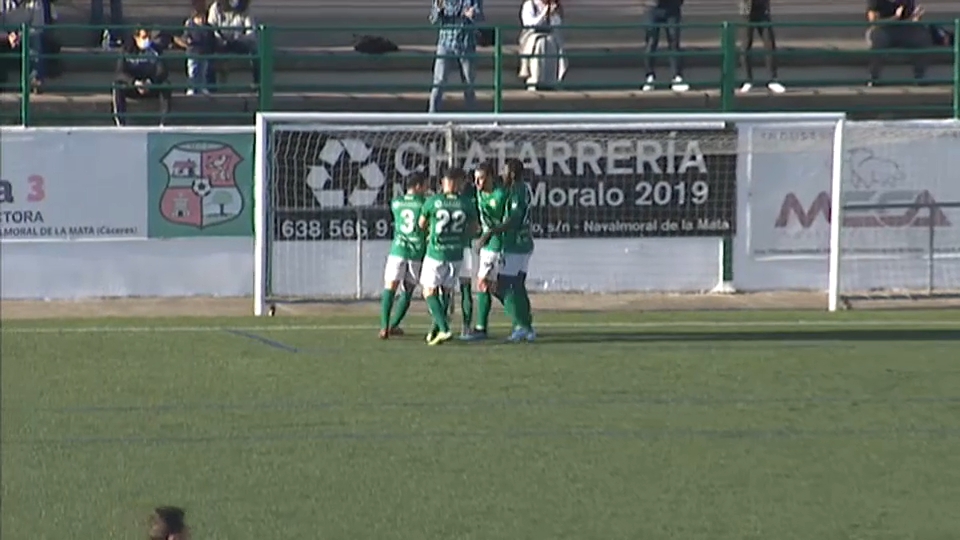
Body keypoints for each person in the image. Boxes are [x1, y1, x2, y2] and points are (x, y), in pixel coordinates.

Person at [476, 159, 536, 342]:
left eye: (505, 170)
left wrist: (489, 233)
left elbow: (514, 220)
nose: (502, 174)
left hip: (515, 244)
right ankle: (526, 325)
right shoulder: (517, 189)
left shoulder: (517, 190)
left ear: (511, 173)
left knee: (504, 286)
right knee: (516, 286)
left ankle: (522, 326)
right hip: (520, 244)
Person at [418, 168, 477, 345]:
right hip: (457, 254)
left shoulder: (433, 201)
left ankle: (443, 328)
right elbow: (474, 229)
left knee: (428, 291)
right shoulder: (467, 203)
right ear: (458, 183)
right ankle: (435, 329)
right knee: (446, 291)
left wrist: (430, 232)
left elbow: (421, 224)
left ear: (444, 182)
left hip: (436, 252)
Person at [461, 162, 513, 341]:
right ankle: (517, 317)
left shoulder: (501, 195)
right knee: (489, 286)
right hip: (486, 246)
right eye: (475, 179)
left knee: (485, 284)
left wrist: (487, 235)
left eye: (481, 178)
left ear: (490, 177)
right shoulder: (476, 192)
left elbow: (507, 222)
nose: (478, 183)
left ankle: (483, 327)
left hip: (496, 245)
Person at [379, 173, 429, 339]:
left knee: (390, 288)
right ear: (417, 186)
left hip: (398, 250)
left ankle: (384, 326)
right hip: (416, 251)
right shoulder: (424, 203)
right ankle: (394, 325)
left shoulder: (396, 203)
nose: (427, 189)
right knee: (407, 290)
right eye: (425, 185)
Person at [428, 0, 483, 113]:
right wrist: (438, 10)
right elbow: (433, 19)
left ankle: (472, 121)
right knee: (439, 82)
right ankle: (432, 120)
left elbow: (480, 15)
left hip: (466, 42)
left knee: (469, 83)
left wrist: (473, 14)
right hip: (445, 42)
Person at [112, 26, 171, 126]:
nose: (147, 40)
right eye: (144, 37)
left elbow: (163, 71)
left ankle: (164, 123)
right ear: (136, 37)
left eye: (148, 37)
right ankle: (121, 122)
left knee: (166, 85)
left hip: (151, 86)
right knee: (117, 85)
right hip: (134, 87)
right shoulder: (126, 51)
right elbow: (120, 73)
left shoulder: (155, 50)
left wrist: (151, 82)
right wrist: (134, 82)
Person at [866, 0, 931, 86]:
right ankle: (874, 77)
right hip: (882, 29)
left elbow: (910, 19)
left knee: (921, 37)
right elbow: (874, 22)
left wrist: (916, 17)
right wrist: (895, 17)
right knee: (878, 41)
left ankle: (920, 76)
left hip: (902, 28)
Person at [518, 0, 567, 91]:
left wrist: (552, 15)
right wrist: (544, 13)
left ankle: (551, 81)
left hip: (549, 35)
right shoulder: (530, 5)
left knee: (551, 42)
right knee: (540, 44)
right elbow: (530, 24)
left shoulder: (555, 6)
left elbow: (556, 25)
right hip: (531, 35)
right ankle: (535, 79)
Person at [208, 0, 259, 88]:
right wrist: (220, 38)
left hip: (238, 42)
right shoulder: (216, 7)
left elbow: (251, 33)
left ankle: (258, 85)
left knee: (256, 51)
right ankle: (211, 87)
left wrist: (239, 38)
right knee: (206, 51)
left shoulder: (246, 10)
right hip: (220, 41)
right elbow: (210, 29)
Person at [738, 0, 785, 93]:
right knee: (746, 45)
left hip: (762, 9)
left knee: (769, 44)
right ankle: (747, 80)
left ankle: (773, 79)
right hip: (747, 9)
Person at [642, 0, 688, 92]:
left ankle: (676, 77)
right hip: (653, 6)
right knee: (651, 42)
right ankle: (649, 77)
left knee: (674, 41)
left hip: (672, 6)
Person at [174, 6, 215, 95]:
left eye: (203, 17)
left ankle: (202, 87)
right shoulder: (190, 26)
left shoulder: (208, 27)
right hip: (193, 53)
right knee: (193, 71)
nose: (202, 20)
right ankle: (191, 88)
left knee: (203, 72)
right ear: (194, 17)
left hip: (204, 53)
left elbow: (211, 39)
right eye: (199, 17)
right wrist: (187, 40)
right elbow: (185, 36)